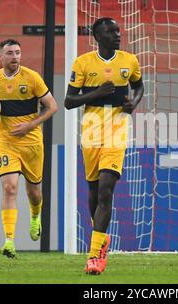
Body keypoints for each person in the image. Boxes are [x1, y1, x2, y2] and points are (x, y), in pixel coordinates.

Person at [64, 17, 144, 275]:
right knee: (95, 191)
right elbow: (68, 101)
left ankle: (95, 255)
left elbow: (138, 86)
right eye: (110, 32)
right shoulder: (83, 63)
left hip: (117, 128)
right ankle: (102, 238)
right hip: (91, 127)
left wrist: (134, 102)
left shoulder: (129, 60)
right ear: (97, 37)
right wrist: (97, 93)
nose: (117, 35)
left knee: (106, 191)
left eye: (117, 30)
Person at [0, 39, 58, 258]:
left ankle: (35, 215)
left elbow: (52, 106)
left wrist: (30, 124)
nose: (15, 57)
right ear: (0, 56)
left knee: (34, 192)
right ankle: (9, 241)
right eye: (10, 53)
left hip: (32, 142)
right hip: (7, 141)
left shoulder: (32, 77)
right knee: (9, 188)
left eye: (18, 53)